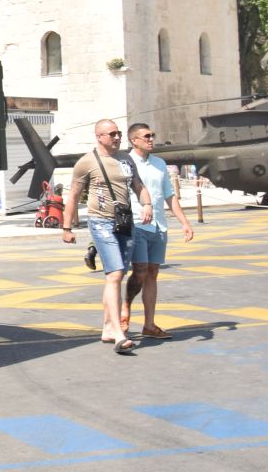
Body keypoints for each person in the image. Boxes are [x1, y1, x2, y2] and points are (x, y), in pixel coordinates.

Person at [60, 119, 153, 353]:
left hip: (125, 221)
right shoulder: (87, 162)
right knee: (115, 274)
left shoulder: (125, 158)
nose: (117, 137)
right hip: (101, 222)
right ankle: (119, 335)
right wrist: (66, 227)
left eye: (118, 133)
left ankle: (108, 327)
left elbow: (138, 185)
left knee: (115, 277)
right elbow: (73, 195)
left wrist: (147, 204)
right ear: (99, 137)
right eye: (111, 134)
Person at [122, 122, 194, 339]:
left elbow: (169, 195)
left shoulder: (160, 163)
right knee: (140, 271)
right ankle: (125, 307)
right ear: (134, 140)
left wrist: (184, 222)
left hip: (159, 225)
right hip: (136, 223)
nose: (151, 139)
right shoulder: (125, 162)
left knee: (153, 272)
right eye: (146, 136)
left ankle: (149, 324)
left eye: (152, 135)